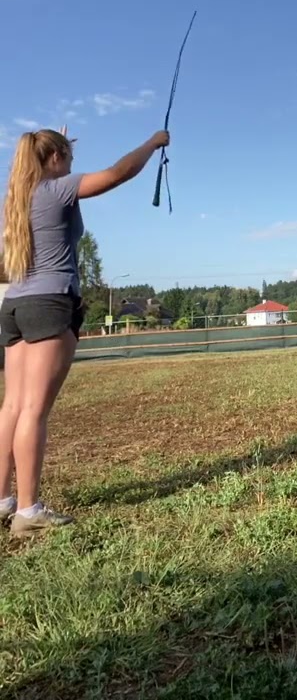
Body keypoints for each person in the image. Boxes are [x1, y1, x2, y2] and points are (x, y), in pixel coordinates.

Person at [0, 126, 170, 539]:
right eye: (68, 158)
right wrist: (152, 143)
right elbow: (117, 173)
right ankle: (28, 510)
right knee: (34, 412)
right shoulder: (59, 189)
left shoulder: (17, 200)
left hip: (14, 308)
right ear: (55, 159)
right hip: (49, 305)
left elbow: (53, 161)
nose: (73, 165)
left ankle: (3, 499)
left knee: (12, 408)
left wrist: (56, 142)